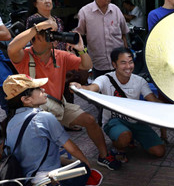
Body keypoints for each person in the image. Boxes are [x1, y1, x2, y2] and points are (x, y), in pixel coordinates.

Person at [7, 16, 122, 171]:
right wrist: (38, 27)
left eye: (55, 33)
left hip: (59, 104)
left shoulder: (59, 55)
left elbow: (86, 65)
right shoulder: (25, 56)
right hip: (37, 110)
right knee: (51, 143)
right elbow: (12, 48)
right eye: (48, 33)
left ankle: (104, 155)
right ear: (37, 36)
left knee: (89, 120)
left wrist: (82, 49)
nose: (54, 37)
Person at [2, 74, 91, 186]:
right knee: (83, 169)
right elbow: (72, 147)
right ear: (26, 99)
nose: (43, 89)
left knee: (68, 164)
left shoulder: (10, 121)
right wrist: (87, 163)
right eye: (37, 89)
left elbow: (31, 153)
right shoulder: (44, 118)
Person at [71, 47, 166, 159]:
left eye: (130, 62)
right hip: (113, 121)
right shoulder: (105, 79)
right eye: (123, 63)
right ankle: (118, 147)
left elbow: (154, 101)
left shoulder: (140, 81)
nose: (128, 67)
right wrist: (80, 87)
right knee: (124, 136)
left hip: (136, 122)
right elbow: (92, 88)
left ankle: (133, 137)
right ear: (114, 64)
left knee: (159, 151)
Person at [26, 0, 88, 106]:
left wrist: (68, 45)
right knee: (50, 92)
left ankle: (67, 118)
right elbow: (32, 40)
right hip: (45, 61)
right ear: (35, 3)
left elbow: (60, 39)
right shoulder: (33, 20)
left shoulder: (57, 20)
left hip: (61, 59)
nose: (47, 1)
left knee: (67, 91)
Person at [75, 0, 129, 78]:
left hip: (118, 61)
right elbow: (79, 34)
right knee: (101, 90)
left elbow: (123, 33)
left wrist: (126, 52)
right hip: (98, 63)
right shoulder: (85, 12)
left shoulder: (116, 10)